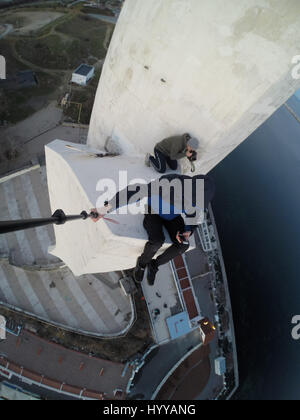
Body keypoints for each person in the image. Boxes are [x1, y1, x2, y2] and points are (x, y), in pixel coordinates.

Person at [92, 174, 215, 287]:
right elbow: (136, 191)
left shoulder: (196, 203)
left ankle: (154, 265)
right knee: (157, 241)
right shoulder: (169, 183)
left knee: (183, 245)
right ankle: (141, 264)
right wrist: (106, 208)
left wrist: (188, 231)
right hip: (153, 211)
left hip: (172, 216)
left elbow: (194, 219)